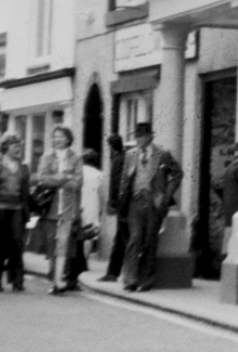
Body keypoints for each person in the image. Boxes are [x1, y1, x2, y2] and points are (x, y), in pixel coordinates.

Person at [119, 122, 181, 292]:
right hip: (134, 202)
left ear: (150, 137)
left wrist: (166, 195)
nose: (139, 139)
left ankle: (145, 280)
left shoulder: (163, 154)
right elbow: (125, 180)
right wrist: (121, 201)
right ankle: (130, 279)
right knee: (135, 238)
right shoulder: (130, 155)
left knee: (149, 241)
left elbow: (177, 174)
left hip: (154, 203)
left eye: (142, 136)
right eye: (137, 136)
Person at [37, 126, 84, 295]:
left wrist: (57, 179)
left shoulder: (76, 158)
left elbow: (78, 183)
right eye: (55, 136)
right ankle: (53, 278)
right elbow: (42, 180)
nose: (58, 140)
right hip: (50, 207)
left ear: (68, 139)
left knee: (63, 244)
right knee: (51, 244)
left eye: (61, 137)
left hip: (68, 208)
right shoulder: (46, 156)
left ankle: (58, 281)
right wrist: (63, 177)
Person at [0, 134, 30, 292]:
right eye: (14, 145)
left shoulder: (23, 166)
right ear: (6, 146)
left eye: (19, 145)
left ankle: (17, 280)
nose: (17, 148)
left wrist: (27, 211)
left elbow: (25, 191)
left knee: (17, 244)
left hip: (17, 209)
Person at [98, 132, 128, 282]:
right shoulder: (129, 156)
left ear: (111, 146)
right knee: (124, 238)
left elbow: (115, 184)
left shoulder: (117, 160)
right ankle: (116, 272)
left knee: (121, 239)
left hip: (123, 205)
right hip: (131, 203)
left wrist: (113, 203)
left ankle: (113, 273)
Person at [73, 149, 103, 287]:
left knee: (79, 234)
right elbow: (102, 194)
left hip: (78, 204)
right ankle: (85, 260)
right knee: (89, 235)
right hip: (92, 205)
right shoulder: (99, 175)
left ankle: (80, 262)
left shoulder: (79, 172)